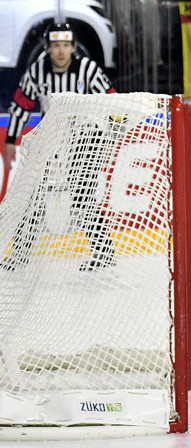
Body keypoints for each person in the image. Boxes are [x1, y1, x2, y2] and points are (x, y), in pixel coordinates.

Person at [2, 22, 117, 272]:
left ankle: (104, 252)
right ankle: (20, 254)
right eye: (56, 46)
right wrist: (11, 140)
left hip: (86, 139)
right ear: (47, 48)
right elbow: (21, 105)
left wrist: (111, 135)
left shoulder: (86, 69)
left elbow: (112, 100)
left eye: (66, 46)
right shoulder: (37, 71)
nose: (61, 52)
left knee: (81, 196)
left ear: (73, 48)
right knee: (36, 196)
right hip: (53, 139)